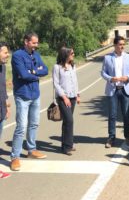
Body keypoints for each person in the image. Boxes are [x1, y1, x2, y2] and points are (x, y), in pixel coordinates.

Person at [10, 32, 48, 171]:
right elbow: (23, 74)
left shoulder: (36, 55)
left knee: (34, 123)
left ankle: (31, 150)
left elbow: (45, 70)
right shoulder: (17, 56)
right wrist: (34, 73)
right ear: (26, 42)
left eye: (37, 43)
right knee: (21, 127)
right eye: (34, 43)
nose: (36, 45)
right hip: (22, 95)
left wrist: (32, 72)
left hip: (35, 94)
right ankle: (15, 157)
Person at [101, 36, 129, 148]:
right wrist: (110, 78)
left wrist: (128, 77)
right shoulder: (107, 58)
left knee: (126, 115)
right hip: (113, 90)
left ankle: (127, 136)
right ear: (115, 45)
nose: (122, 46)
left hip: (125, 89)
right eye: (120, 44)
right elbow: (103, 73)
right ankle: (111, 138)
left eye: (123, 44)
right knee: (112, 115)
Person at [53, 47, 80, 155]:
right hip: (63, 98)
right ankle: (67, 147)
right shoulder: (57, 67)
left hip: (73, 97)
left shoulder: (73, 66)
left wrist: (78, 94)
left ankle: (67, 144)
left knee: (67, 122)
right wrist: (64, 97)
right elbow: (56, 83)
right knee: (69, 121)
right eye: (71, 53)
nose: (73, 55)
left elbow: (75, 81)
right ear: (65, 54)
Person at [0, 42, 11, 179]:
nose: (7, 55)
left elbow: (3, 88)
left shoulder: (2, 67)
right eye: (5, 52)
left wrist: (6, 105)